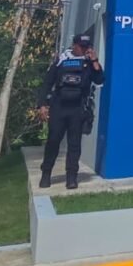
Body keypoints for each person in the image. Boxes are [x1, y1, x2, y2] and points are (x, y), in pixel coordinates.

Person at [36, 33, 104, 189]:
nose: (85, 49)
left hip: (78, 107)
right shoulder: (61, 60)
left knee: (74, 144)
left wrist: (94, 61)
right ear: (74, 45)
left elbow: (100, 79)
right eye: (82, 46)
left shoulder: (89, 63)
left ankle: (71, 177)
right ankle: (46, 174)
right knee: (53, 141)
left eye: (87, 47)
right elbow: (47, 83)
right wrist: (42, 104)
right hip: (59, 106)